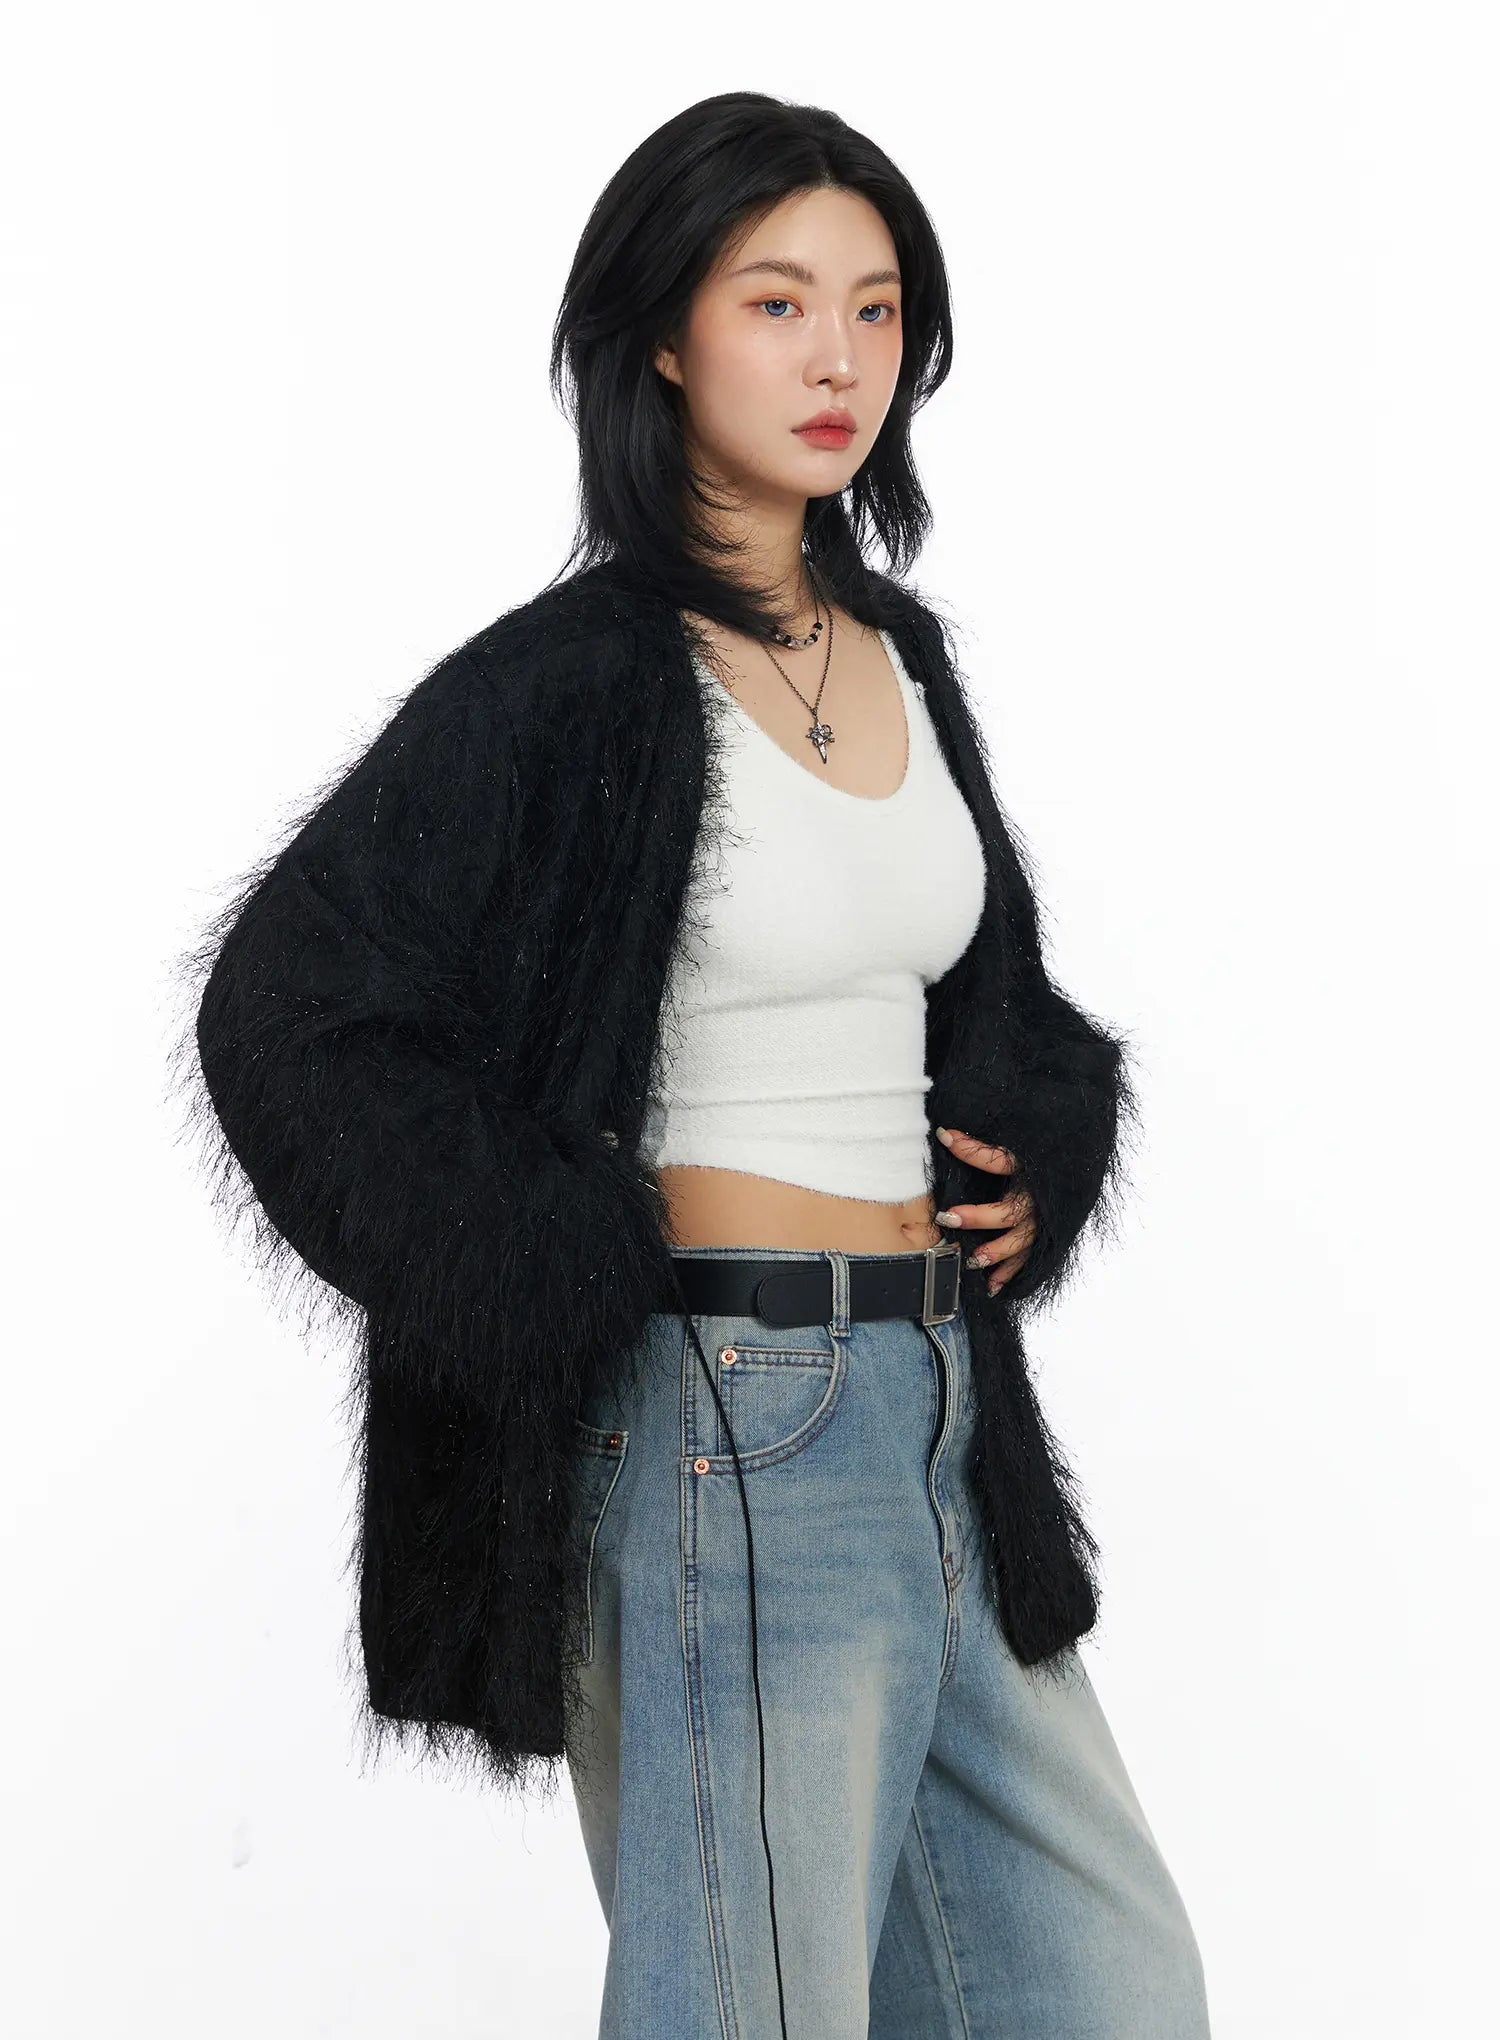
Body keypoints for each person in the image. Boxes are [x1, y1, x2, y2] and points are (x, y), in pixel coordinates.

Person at [180, 91, 1211, 2040]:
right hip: (729, 1411)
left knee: (1107, 1991)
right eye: (778, 301)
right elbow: (289, 1010)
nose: (839, 359)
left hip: (936, 1413)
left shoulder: (900, 655)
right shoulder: (572, 681)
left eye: (878, 309)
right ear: (663, 334)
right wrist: (548, 1259)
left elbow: (996, 1001)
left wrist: (1049, 1135)